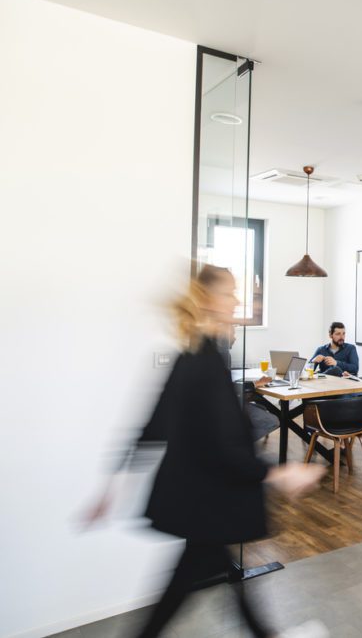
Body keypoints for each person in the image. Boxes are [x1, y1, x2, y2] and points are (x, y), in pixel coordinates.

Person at [84, 265, 327, 638]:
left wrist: (113, 483)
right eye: (229, 293)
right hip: (207, 498)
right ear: (210, 301)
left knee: (200, 579)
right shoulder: (206, 359)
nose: (236, 300)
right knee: (196, 581)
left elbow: (154, 423)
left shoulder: (192, 354)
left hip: (198, 497)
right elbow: (220, 444)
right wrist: (278, 473)